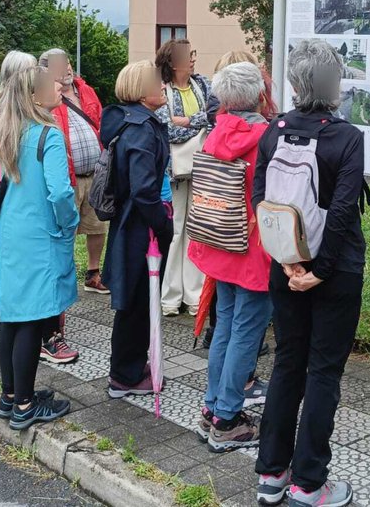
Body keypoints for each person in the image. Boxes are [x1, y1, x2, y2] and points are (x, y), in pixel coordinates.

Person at [253, 40, 365, 507]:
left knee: (286, 364)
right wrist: (319, 270)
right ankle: (310, 483)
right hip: (333, 272)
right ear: (333, 83)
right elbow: (341, 212)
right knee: (322, 372)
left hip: (285, 263)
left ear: (296, 84)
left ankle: (272, 474)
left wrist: (290, 262)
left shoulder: (273, 131)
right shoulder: (347, 137)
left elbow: (261, 198)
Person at [190, 62, 273, 452]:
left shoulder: (215, 133)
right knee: (245, 331)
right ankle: (227, 419)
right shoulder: (266, 137)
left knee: (225, 326)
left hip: (220, 241)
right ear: (260, 94)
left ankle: (212, 407)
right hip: (254, 247)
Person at [0, 65, 77, 429]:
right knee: (33, 319)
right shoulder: (48, 136)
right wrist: (68, 221)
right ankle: (25, 405)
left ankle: (10, 395)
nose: (58, 87)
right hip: (40, 234)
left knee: (11, 316)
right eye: (50, 84)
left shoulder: (7, 131)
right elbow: (59, 192)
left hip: (11, 233)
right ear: (36, 95)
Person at [101, 60, 174, 398]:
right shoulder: (142, 129)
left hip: (127, 223)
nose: (163, 86)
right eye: (157, 81)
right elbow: (144, 189)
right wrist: (163, 224)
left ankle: (128, 366)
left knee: (133, 299)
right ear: (142, 91)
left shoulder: (125, 120)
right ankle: (125, 376)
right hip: (139, 228)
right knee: (136, 300)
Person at [40, 49, 109, 296]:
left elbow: (99, 120)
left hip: (95, 174)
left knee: (98, 226)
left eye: (67, 63)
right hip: (68, 176)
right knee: (65, 227)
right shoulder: (45, 96)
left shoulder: (85, 89)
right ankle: (63, 274)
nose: (67, 69)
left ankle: (93, 273)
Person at [154, 39, 214, 316]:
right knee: (176, 231)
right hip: (174, 172)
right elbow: (166, 131)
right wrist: (198, 124)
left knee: (196, 230)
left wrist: (188, 120)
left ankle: (194, 296)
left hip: (201, 167)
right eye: (187, 55)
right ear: (172, 61)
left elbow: (212, 118)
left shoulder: (202, 85)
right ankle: (169, 297)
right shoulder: (161, 89)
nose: (192, 60)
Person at [0, 50, 39, 330]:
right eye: (30, 70)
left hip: (14, 187)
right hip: (5, 189)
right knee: (4, 255)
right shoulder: (0, 105)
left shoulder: (23, 104)